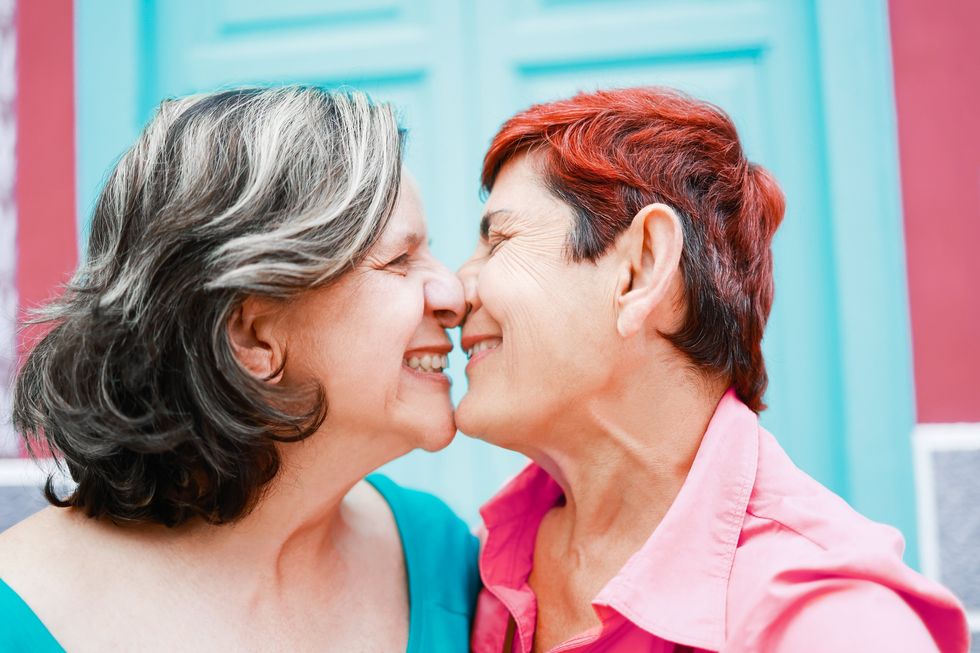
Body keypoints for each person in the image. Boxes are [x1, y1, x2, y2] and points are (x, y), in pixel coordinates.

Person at [456, 87, 969, 652]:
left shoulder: (835, 627)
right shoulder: (478, 562)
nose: (456, 291)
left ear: (641, 269)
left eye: (499, 241)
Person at [0, 86, 479, 652]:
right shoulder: (20, 618)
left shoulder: (443, 558)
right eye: (400, 260)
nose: (455, 293)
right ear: (251, 336)